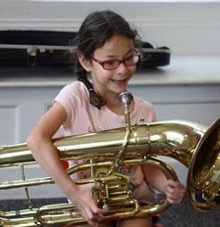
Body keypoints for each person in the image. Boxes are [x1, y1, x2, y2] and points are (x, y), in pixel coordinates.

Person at [27, 10, 186, 227]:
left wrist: (165, 184)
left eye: (129, 58)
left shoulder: (145, 110)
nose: (122, 70)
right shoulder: (74, 96)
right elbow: (36, 139)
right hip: (87, 202)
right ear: (85, 61)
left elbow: (146, 166)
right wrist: (73, 192)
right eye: (110, 62)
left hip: (134, 202)